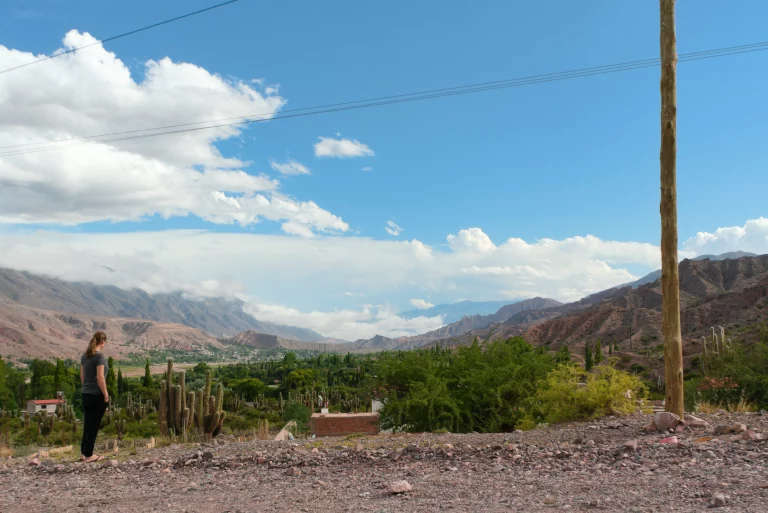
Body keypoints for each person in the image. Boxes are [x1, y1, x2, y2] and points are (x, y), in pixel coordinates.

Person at [80, 331, 109, 463]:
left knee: (87, 424)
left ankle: (83, 452)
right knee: (94, 425)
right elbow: (100, 377)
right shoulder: (100, 357)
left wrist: (86, 388)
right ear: (103, 342)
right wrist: (106, 394)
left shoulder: (85, 356)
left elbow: (82, 376)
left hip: (86, 393)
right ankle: (89, 455)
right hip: (97, 394)